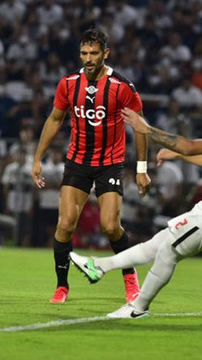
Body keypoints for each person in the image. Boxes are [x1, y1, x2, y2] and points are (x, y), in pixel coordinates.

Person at [69, 86, 202, 318]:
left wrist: (147, 129)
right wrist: (180, 155)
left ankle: (137, 308)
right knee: (157, 243)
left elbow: (189, 145)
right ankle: (99, 267)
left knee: (169, 250)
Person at [31, 28, 151, 304]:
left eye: (94, 53)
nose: (88, 58)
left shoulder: (122, 87)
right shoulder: (69, 84)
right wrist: (37, 158)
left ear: (105, 54)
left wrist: (142, 168)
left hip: (109, 164)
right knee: (64, 225)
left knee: (110, 226)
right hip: (77, 162)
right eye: (84, 53)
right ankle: (62, 286)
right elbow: (54, 120)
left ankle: (130, 277)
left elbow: (140, 128)